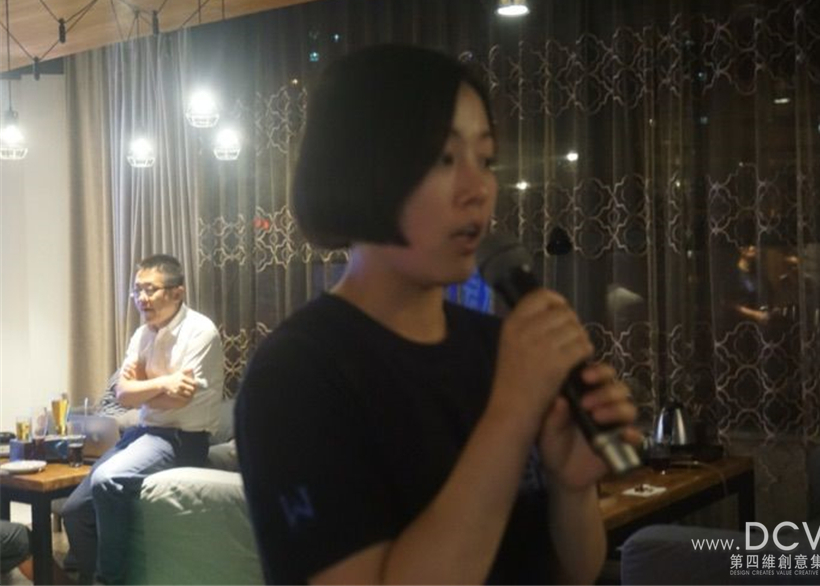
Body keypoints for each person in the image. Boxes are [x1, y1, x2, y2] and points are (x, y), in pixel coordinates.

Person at [235, 44, 640, 585]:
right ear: (360, 170)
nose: (478, 190)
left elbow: (573, 572)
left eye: (486, 159)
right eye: (444, 159)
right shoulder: (295, 376)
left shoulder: (495, 345)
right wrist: (511, 416)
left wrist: (571, 487)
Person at [62, 254, 224, 584]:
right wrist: (165, 383)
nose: (141, 298)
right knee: (74, 511)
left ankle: (109, 581)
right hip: (144, 433)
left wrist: (142, 388)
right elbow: (123, 395)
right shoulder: (142, 335)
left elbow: (180, 399)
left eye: (150, 289)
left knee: (108, 479)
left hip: (182, 438)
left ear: (177, 292)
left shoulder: (200, 332)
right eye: (137, 290)